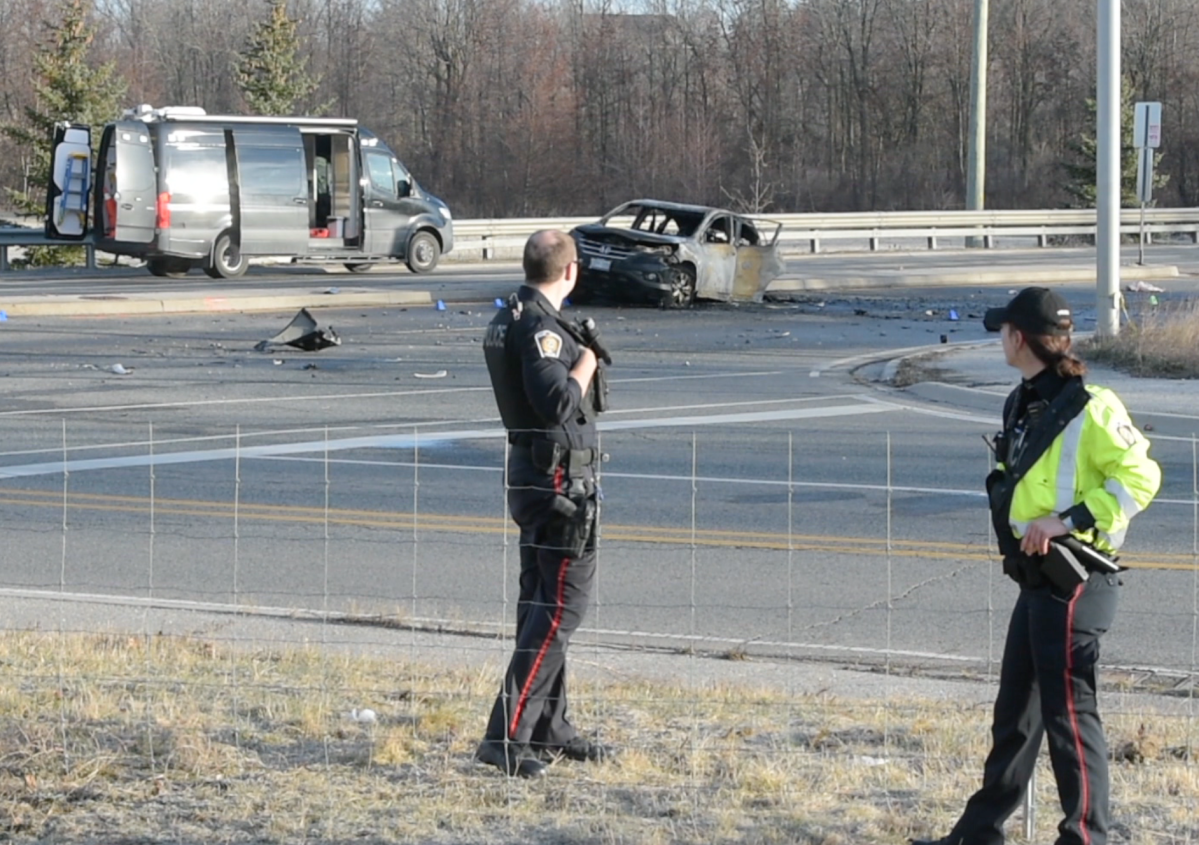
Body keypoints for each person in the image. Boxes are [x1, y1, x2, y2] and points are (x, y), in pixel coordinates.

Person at [912, 287, 1161, 845]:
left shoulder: (1091, 405)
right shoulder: (1023, 400)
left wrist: (1067, 520)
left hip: (1078, 579)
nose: (999, 336)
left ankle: (1085, 836)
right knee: (1015, 718)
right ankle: (977, 834)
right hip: (1037, 579)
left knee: (1069, 719)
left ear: (1018, 338)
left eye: (1003, 329)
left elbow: (1142, 478)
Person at [476, 230, 613, 778]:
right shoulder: (540, 330)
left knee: (540, 605)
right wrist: (587, 363)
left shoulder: (518, 315)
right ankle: (504, 737)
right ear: (571, 272)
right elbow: (556, 402)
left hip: (538, 477)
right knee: (560, 610)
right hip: (556, 485)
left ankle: (549, 728)